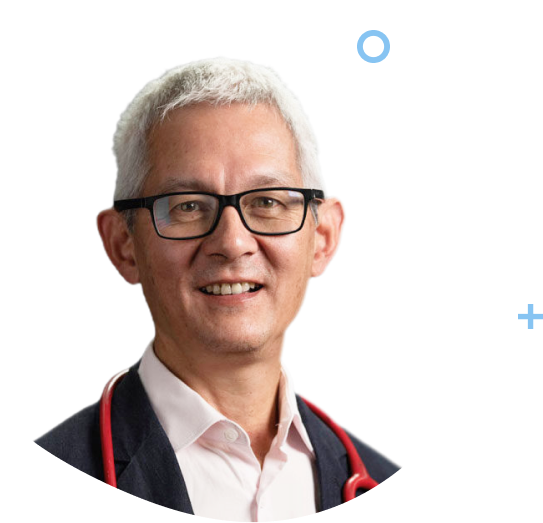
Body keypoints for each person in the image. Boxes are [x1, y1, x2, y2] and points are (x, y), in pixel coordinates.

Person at [35, 57, 400, 519]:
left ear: (322, 238)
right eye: (187, 206)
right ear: (124, 244)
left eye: (267, 201)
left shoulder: (377, 475)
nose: (231, 242)